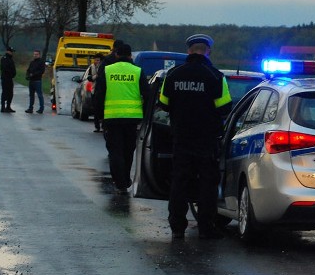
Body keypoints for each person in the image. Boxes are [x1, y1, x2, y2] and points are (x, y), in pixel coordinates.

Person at [159, 33, 232, 239]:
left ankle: (177, 226)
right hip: (207, 140)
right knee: (207, 184)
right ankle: (206, 228)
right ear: (208, 51)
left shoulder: (173, 74)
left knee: (179, 182)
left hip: (181, 138)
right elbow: (225, 107)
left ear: (189, 50)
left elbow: (163, 104)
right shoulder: (216, 76)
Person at [93, 43, 148, 195]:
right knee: (128, 150)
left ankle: (119, 182)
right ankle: (125, 178)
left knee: (115, 151)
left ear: (116, 54)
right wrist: (145, 115)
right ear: (130, 56)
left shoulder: (108, 70)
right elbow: (147, 94)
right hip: (132, 119)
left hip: (112, 117)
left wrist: (99, 117)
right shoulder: (138, 71)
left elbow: (99, 95)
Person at [24, 49, 46, 114]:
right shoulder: (32, 62)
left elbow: (41, 71)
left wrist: (33, 74)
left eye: (36, 54)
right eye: (34, 54)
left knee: (39, 95)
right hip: (31, 81)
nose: (35, 55)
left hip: (37, 81)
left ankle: (41, 108)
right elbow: (28, 70)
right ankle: (30, 108)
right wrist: (27, 75)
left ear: (39, 55)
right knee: (31, 95)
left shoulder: (41, 62)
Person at [0, 46, 16, 113]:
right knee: (5, 92)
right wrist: (10, 73)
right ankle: (3, 107)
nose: (12, 53)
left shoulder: (10, 58)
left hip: (10, 78)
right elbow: (4, 68)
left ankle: (8, 107)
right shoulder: (4, 58)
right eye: (11, 51)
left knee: (10, 93)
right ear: (8, 51)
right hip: (5, 78)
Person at [89, 56, 103, 132]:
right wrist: (95, 76)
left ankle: (102, 125)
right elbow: (89, 78)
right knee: (96, 109)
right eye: (96, 60)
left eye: (98, 60)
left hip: (101, 90)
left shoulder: (103, 67)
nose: (97, 61)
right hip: (94, 90)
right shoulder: (92, 67)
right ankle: (97, 126)